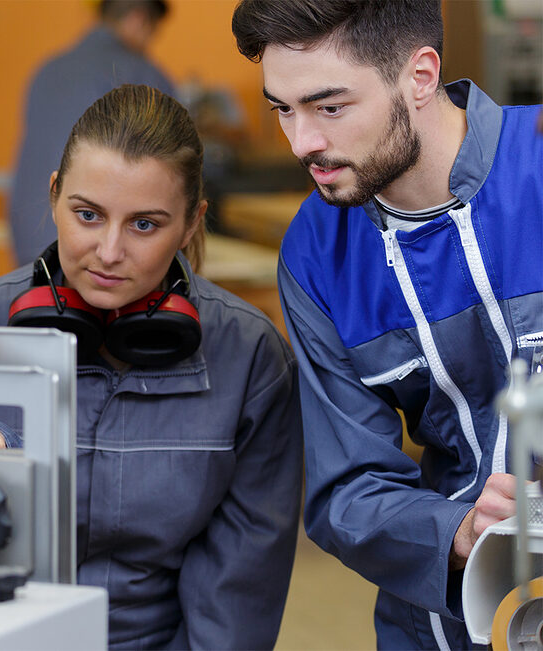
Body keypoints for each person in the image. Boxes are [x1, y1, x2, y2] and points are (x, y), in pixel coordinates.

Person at [0, 84, 302, 648]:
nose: (109, 251)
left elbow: (237, 599)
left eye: (144, 225)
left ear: (191, 223)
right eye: (88, 215)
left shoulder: (249, 357)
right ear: (55, 195)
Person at [231, 1, 543, 647]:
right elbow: (350, 485)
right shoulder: (316, 255)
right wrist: (460, 534)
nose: (301, 142)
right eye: (282, 108)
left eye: (330, 107)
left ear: (420, 76)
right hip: (441, 623)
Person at [7, 0, 175, 266]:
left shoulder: (47, 69)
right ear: (138, 20)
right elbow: (176, 165)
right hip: (95, 255)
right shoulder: (140, 72)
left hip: (29, 245)